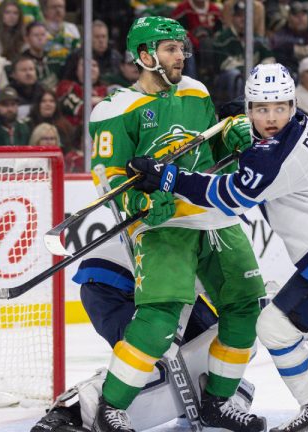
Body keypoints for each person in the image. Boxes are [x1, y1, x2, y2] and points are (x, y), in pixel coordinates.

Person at [126, 63, 308, 432]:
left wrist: (169, 177)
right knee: (274, 327)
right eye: (262, 109)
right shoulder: (290, 132)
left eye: (280, 108)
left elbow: (230, 197)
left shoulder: (277, 154)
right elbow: (256, 152)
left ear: (294, 105)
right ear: (250, 109)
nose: (272, 118)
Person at [85, 16, 266, 432]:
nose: (180, 55)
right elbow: (108, 177)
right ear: (145, 56)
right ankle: (111, 407)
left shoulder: (196, 92)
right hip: (162, 225)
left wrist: (236, 135)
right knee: (159, 320)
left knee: (245, 307)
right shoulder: (115, 109)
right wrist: (142, 201)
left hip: (213, 214)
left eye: (181, 48)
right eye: (169, 49)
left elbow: (210, 146)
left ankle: (217, 402)